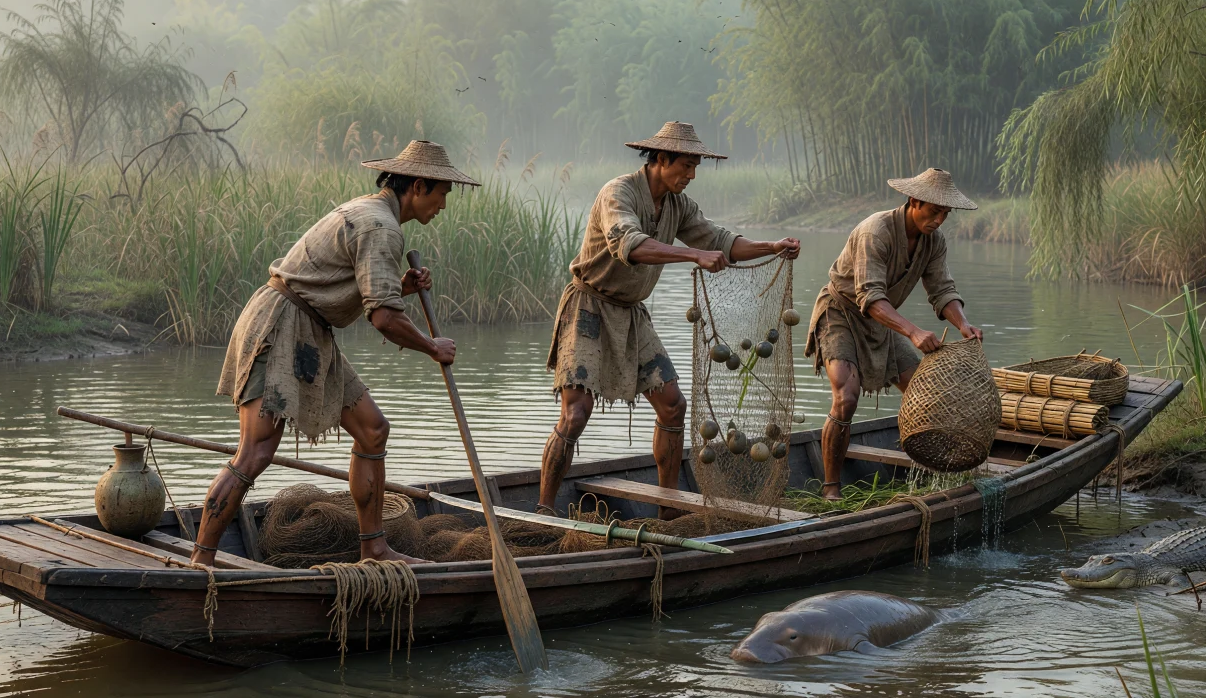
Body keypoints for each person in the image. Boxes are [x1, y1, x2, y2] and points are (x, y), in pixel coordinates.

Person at [192, 140, 473, 566]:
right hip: (281, 326)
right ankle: (201, 562)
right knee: (255, 451)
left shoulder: (372, 212)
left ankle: (374, 549)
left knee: (372, 430)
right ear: (418, 186)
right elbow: (383, 319)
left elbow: (354, 288)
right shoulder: (382, 227)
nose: (443, 205)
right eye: (442, 194)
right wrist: (433, 346)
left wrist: (401, 286)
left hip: (310, 328)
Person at [537, 121, 801, 517]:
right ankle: (542, 508)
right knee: (576, 413)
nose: (691, 175)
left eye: (696, 167)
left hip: (632, 314)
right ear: (661, 159)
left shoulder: (678, 206)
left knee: (673, 406)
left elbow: (720, 241)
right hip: (589, 306)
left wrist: (772, 246)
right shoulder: (618, 192)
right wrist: (692, 255)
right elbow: (629, 244)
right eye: (686, 166)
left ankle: (668, 510)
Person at [805, 168, 983, 501]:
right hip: (841, 312)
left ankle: (934, 472)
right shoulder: (877, 231)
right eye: (934, 211)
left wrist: (963, 324)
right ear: (914, 201)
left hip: (882, 321)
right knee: (846, 398)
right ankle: (831, 488)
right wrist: (913, 332)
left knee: (924, 393)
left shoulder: (934, 242)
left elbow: (942, 289)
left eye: (946, 213)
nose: (940, 220)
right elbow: (869, 297)